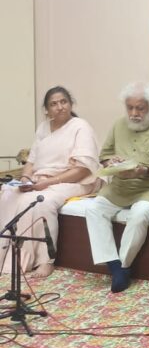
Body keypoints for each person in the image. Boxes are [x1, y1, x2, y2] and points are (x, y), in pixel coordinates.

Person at [85, 82, 149, 293]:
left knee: (139, 214)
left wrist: (144, 170)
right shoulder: (118, 125)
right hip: (121, 187)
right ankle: (114, 265)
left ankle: (123, 266)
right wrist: (112, 162)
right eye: (130, 108)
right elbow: (104, 156)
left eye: (140, 108)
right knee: (93, 209)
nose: (134, 113)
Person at [0, 86, 100, 278]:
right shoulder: (43, 128)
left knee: (41, 201)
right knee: (7, 194)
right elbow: (31, 162)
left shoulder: (80, 127)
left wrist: (47, 183)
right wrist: (25, 178)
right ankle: (8, 255)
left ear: (70, 104)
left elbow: (83, 170)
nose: (60, 107)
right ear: (46, 109)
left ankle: (46, 260)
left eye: (63, 102)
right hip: (41, 180)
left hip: (75, 180)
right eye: (54, 104)